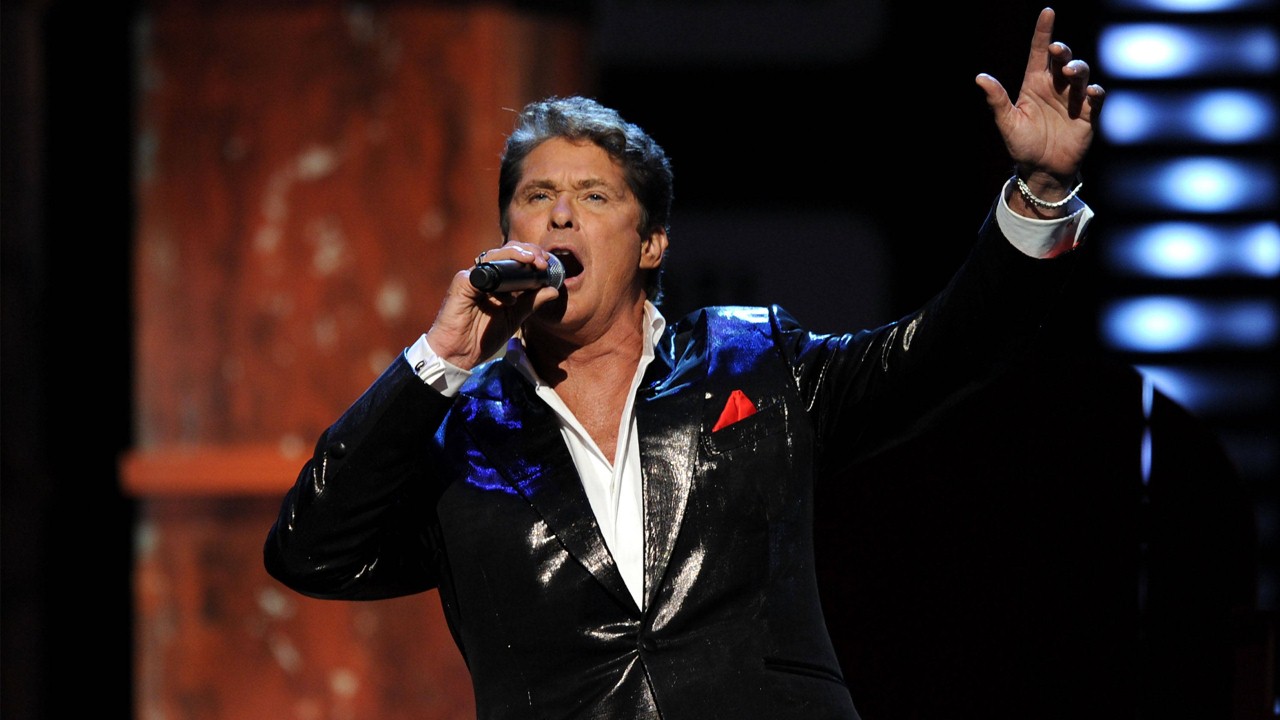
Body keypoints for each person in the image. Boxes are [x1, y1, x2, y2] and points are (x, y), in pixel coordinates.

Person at [264, 7, 1105, 719]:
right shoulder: (462, 434)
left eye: (594, 196)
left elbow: (945, 354)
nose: (561, 217)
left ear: (652, 243)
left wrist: (1039, 195)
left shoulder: (754, 360)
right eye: (536, 197)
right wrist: (440, 358)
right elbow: (310, 550)